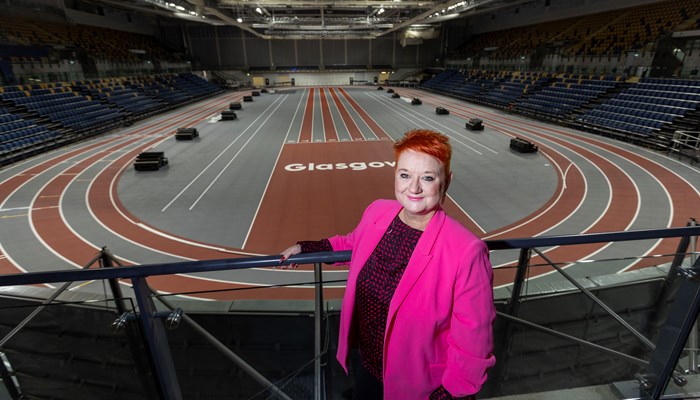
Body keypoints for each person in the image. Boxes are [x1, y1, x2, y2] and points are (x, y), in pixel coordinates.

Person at [280, 129, 496, 399]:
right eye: (405, 175)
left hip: (418, 386)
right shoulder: (378, 211)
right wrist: (308, 248)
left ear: (447, 181)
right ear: (395, 174)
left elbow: (474, 348)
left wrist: (447, 395)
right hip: (367, 366)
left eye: (427, 178)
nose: (413, 188)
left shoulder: (467, 251)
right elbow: (352, 243)